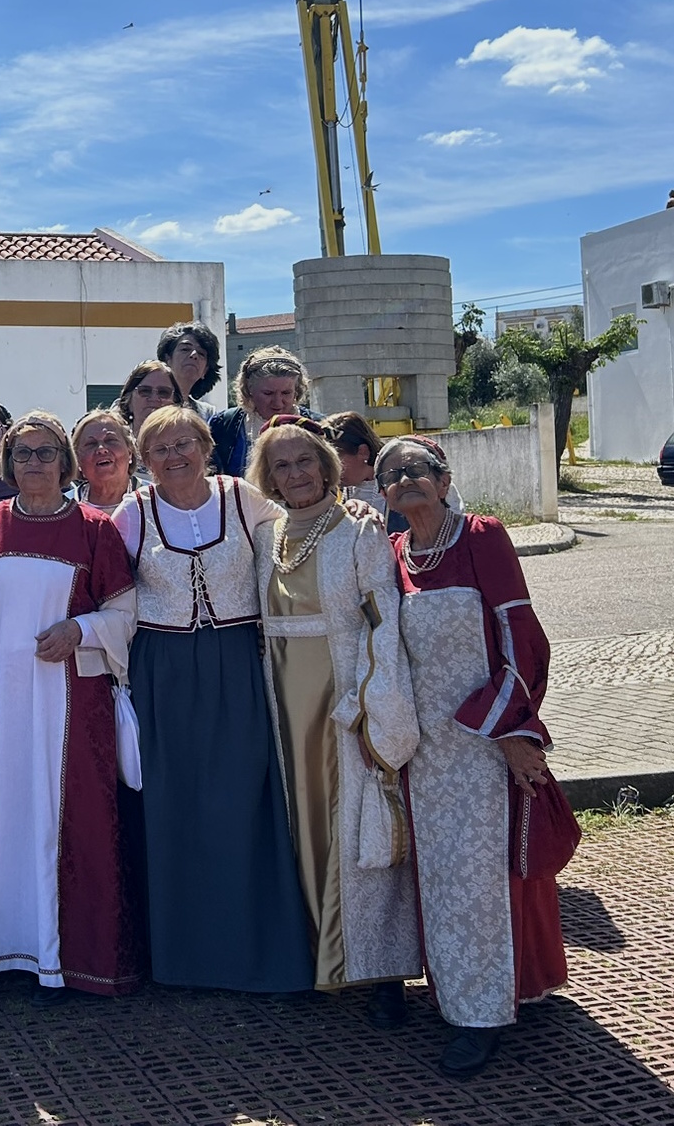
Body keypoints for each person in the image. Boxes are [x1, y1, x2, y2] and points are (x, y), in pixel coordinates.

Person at [377, 436, 570, 1080]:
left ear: (444, 478)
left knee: (483, 878)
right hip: (425, 754)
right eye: (390, 475)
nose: (406, 481)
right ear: (382, 496)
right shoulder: (395, 553)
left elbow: (521, 634)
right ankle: (461, 994)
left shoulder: (481, 536)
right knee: (439, 877)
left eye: (418, 471)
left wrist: (515, 730)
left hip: (484, 743)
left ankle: (482, 1017)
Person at [113, 405, 315, 993]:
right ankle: (181, 958)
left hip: (239, 670)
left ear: (206, 445)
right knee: (173, 810)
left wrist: (351, 506)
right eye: (160, 450)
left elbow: (304, 533)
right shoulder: (134, 512)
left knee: (242, 803)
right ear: (144, 462)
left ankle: (255, 951)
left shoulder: (244, 499)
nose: (174, 457)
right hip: (162, 676)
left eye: (184, 444)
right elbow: (100, 579)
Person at [246, 417, 421, 1023]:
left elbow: (385, 621)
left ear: (327, 464)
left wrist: (372, 705)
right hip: (282, 701)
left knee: (356, 829)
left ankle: (379, 969)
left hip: (343, 700)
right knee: (302, 828)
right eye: (280, 466)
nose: (294, 474)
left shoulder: (360, 531)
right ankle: (318, 957)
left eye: (304, 461)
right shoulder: (266, 533)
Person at [0, 411, 141, 1001]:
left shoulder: (95, 528)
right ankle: (7, 950)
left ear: (65, 463)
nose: (33, 464)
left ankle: (75, 959)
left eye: (45, 454)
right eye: (22, 454)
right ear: (6, 463)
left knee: (77, 821)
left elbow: (124, 614)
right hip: (4, 705)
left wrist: (80, 630)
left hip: (72, 705)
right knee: (8, 816)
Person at [208, 347, 310, 479]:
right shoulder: (223, 425)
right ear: (249, 389)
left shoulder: (316, 426)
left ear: (297, 390)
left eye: (286, 393)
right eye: (268, 393)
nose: (278, 403)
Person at [72, 408, 138, 515]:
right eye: (90, 444)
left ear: (130, 452)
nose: (101, 449)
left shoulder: (155, 499)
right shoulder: (65, 506)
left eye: (111, 440)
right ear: (77, 459)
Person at [325, 411, 384, 508]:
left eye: (336, 461)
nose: (330, 470)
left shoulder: (397, 490)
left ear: (363, 452)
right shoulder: (337, 493)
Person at [157, 322, 223, 404]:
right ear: (167, 359)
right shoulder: (149, 402)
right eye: (185, 349)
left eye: (201, 353)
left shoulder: (206, 414)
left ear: (205, 370)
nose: (194, 355)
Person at [116, 360, 185, 430]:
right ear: (128, 401)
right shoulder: (113, 438)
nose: (154, 398)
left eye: (163, 392)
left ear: (176, 401)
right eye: (145, 391)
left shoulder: (189, 439)